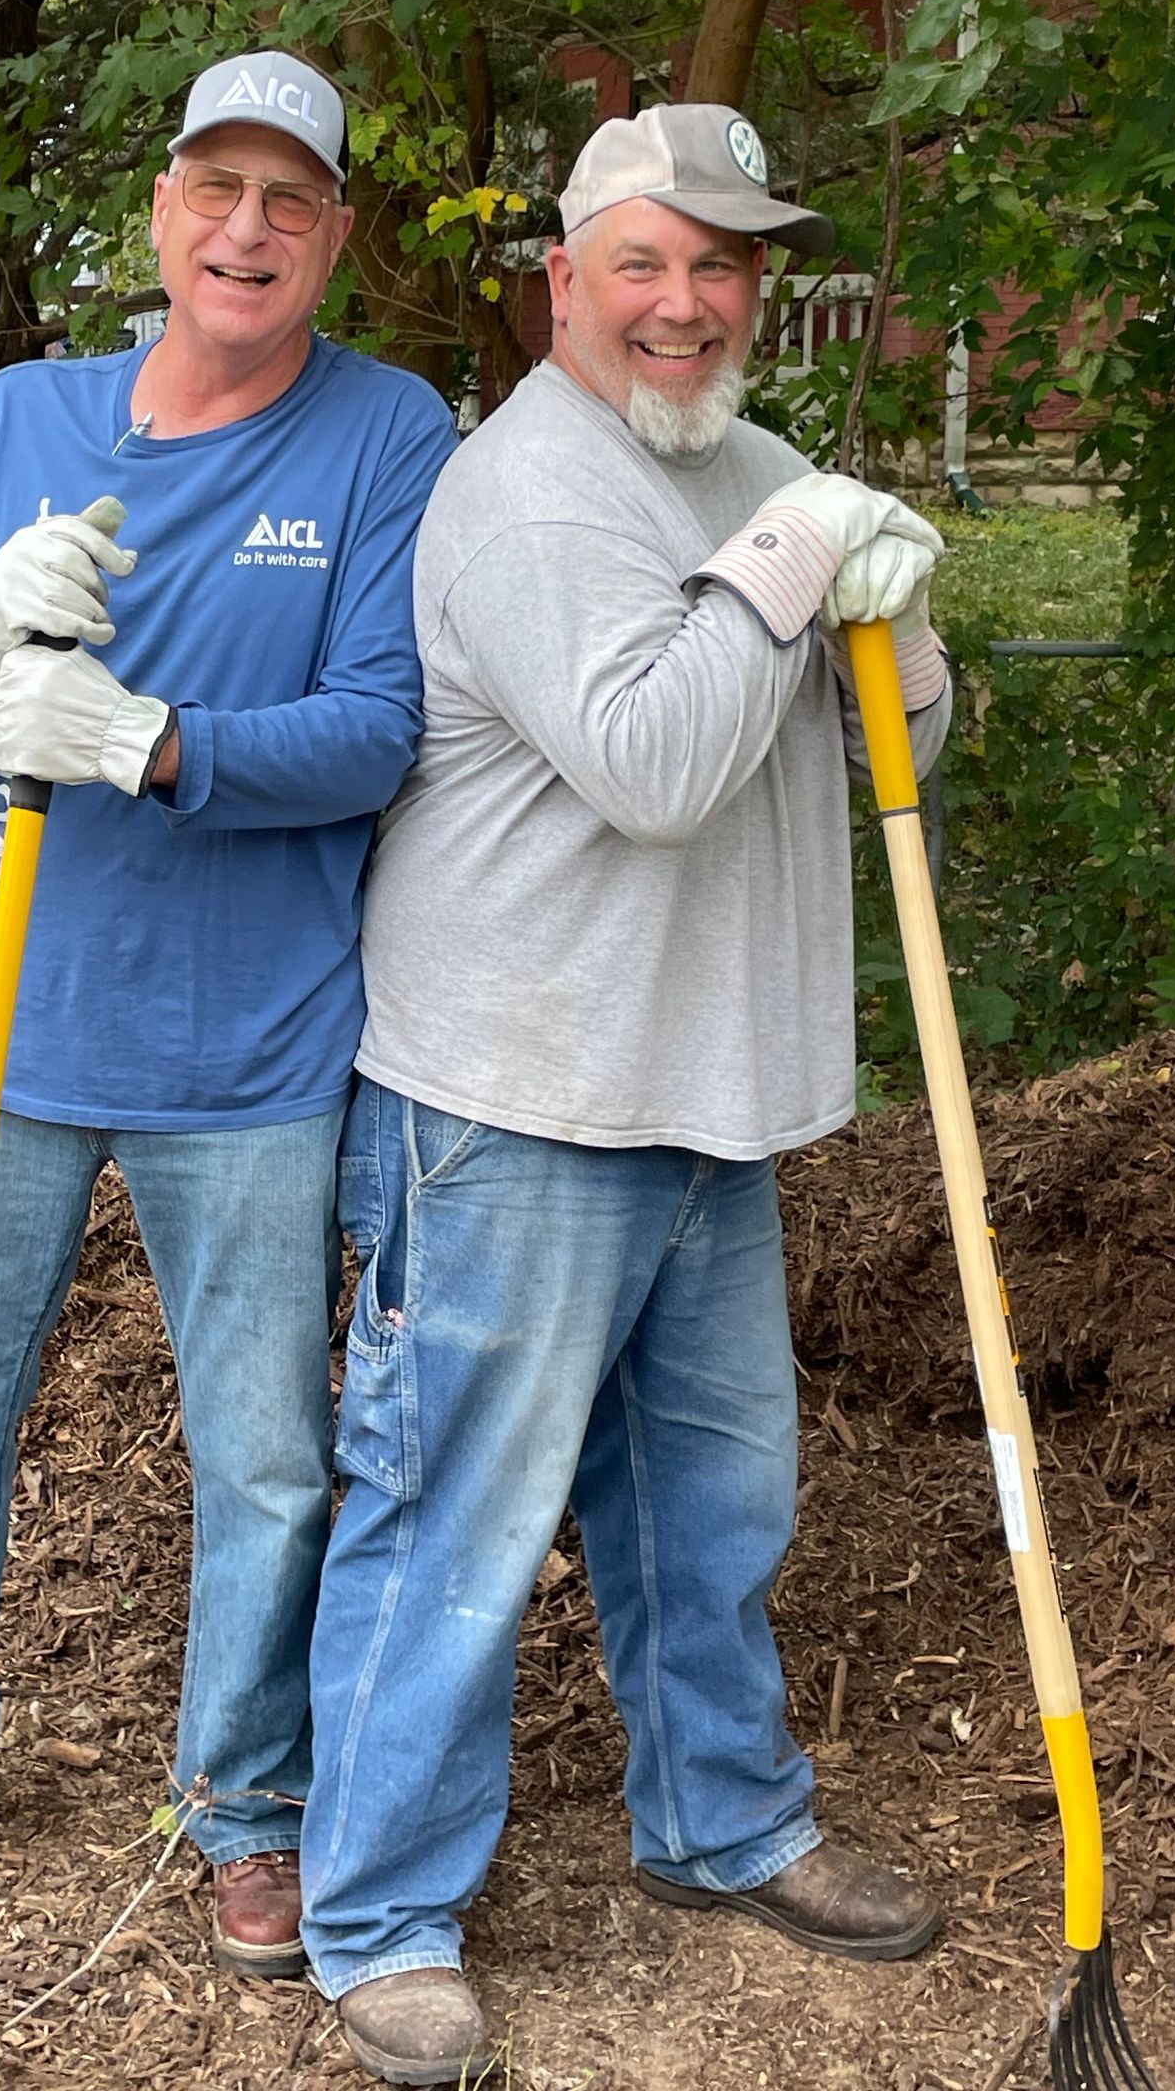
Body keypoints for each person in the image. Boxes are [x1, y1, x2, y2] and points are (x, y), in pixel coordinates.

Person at [297, 104, 957, 2084]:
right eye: (647, 262)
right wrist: (786, 554)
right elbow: (659, 765)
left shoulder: (764, 467)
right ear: (567, 278)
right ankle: (382, 1909)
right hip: (511, 1095)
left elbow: (906, 738)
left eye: (725, 263)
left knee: (713, 1500)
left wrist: (900, 609)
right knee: (454, 1518)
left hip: (707, 1090)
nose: (689, 302)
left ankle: (722, 1821)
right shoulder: (530, 491)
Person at [0, 50, 457, 1981]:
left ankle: (244, 1808)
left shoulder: (384, 436)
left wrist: (157, 741)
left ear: (333, 236)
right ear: (160, 212)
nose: (247, 230)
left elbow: (380, 732)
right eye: (214, 189)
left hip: (246, 1053)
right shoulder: (17, 422)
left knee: (263, 1453)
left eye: (291, 201)